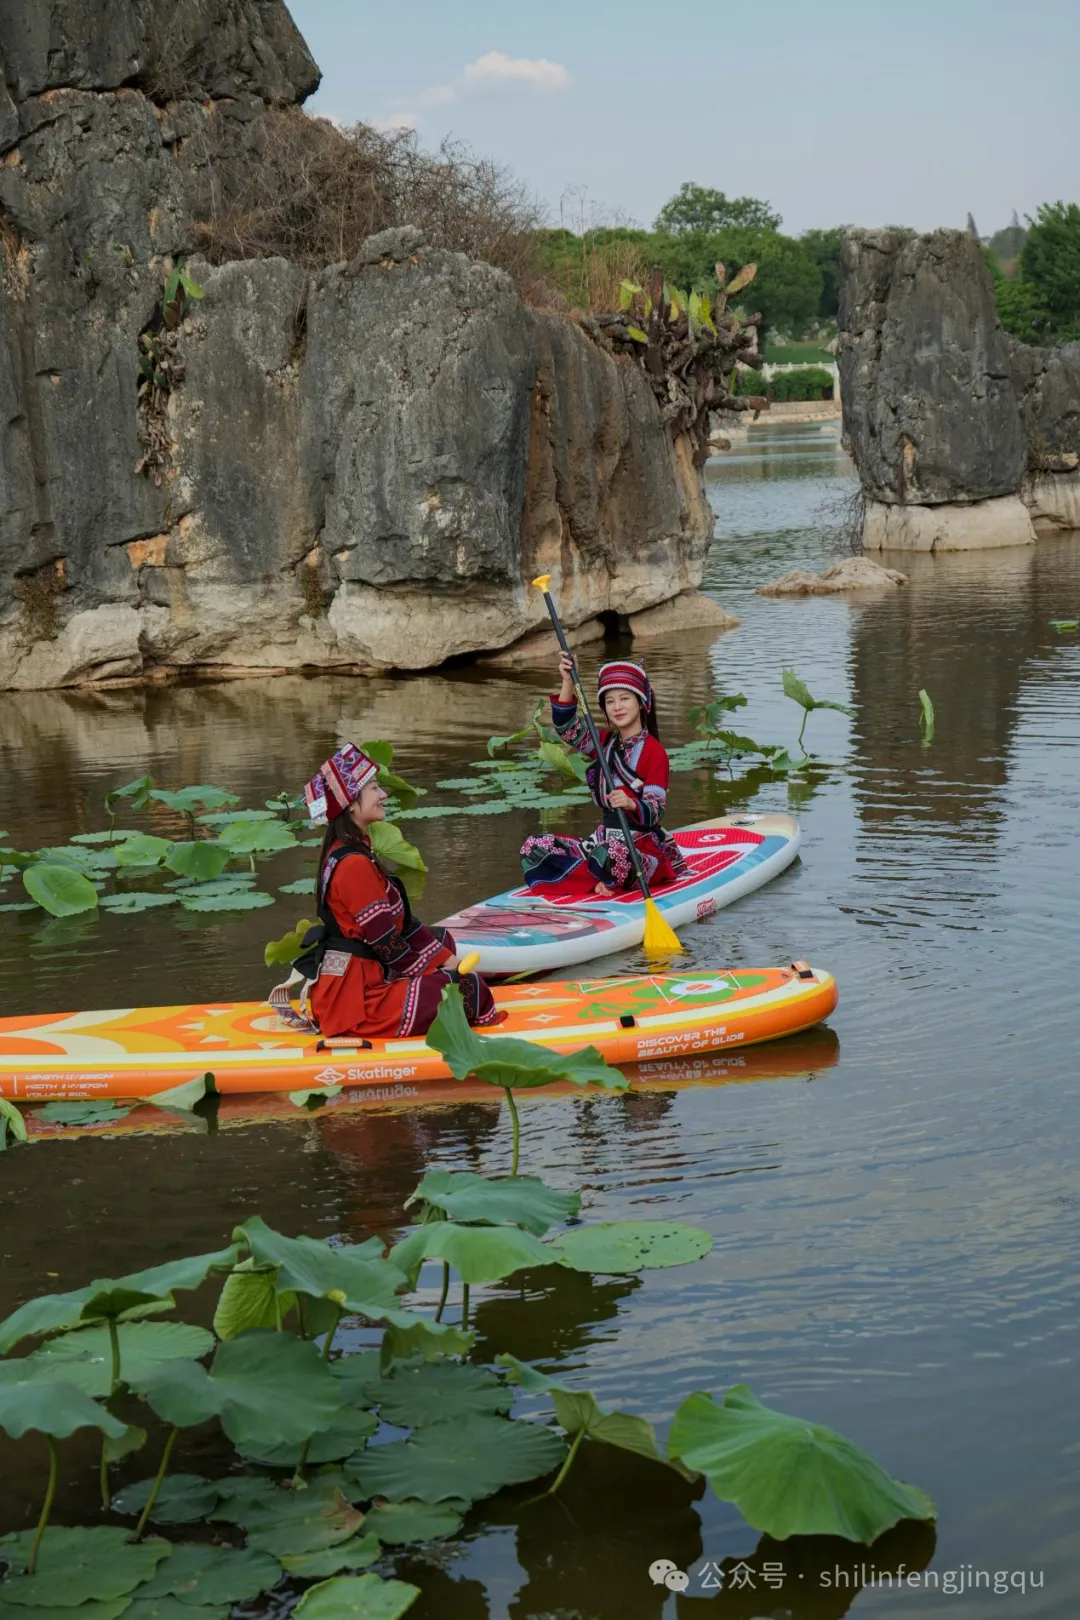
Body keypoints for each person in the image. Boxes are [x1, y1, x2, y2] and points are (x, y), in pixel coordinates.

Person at [281, 744, 497, 1039]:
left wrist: (447, 961)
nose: (383, 794)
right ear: (351, 805)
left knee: (442, 941)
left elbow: (405, 926)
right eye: (374, 788)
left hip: (363, 970)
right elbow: (386, 944)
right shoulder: (353, 864)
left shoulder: (351, 849)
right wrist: (434, 972)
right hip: (356, 999)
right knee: (468, 989)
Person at [520, 657, 687, 897]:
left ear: (641, 702)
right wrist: (567, 681)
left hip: (639, 847)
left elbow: (656, 809)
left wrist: (631, 803)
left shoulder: (655, 752)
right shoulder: (603, 743)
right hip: (603, 841)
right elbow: (567, 729)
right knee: (534, 848)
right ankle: (596, 881)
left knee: (612, 854)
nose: (617, 707)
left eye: (624, 698)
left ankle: (588, 877)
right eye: (610, 701)